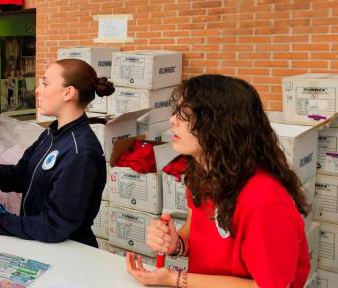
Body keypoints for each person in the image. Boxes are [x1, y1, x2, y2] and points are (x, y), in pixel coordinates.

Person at [125, 75, 310, 288]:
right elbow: (196, 231)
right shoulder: (202, 173)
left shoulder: (264, 199)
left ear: (220, 125)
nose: (173, 120)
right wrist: (175, 243)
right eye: (176, 112)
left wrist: (175, 279)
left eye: (186, 114)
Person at [0, 59, 115, 245]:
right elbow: (19, 176)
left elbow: (55, 225)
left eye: (45, 83)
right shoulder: (53, 133)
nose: (37, 90)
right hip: (40, 242)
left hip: (70, 253)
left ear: (68, 93)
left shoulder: (79, 151)